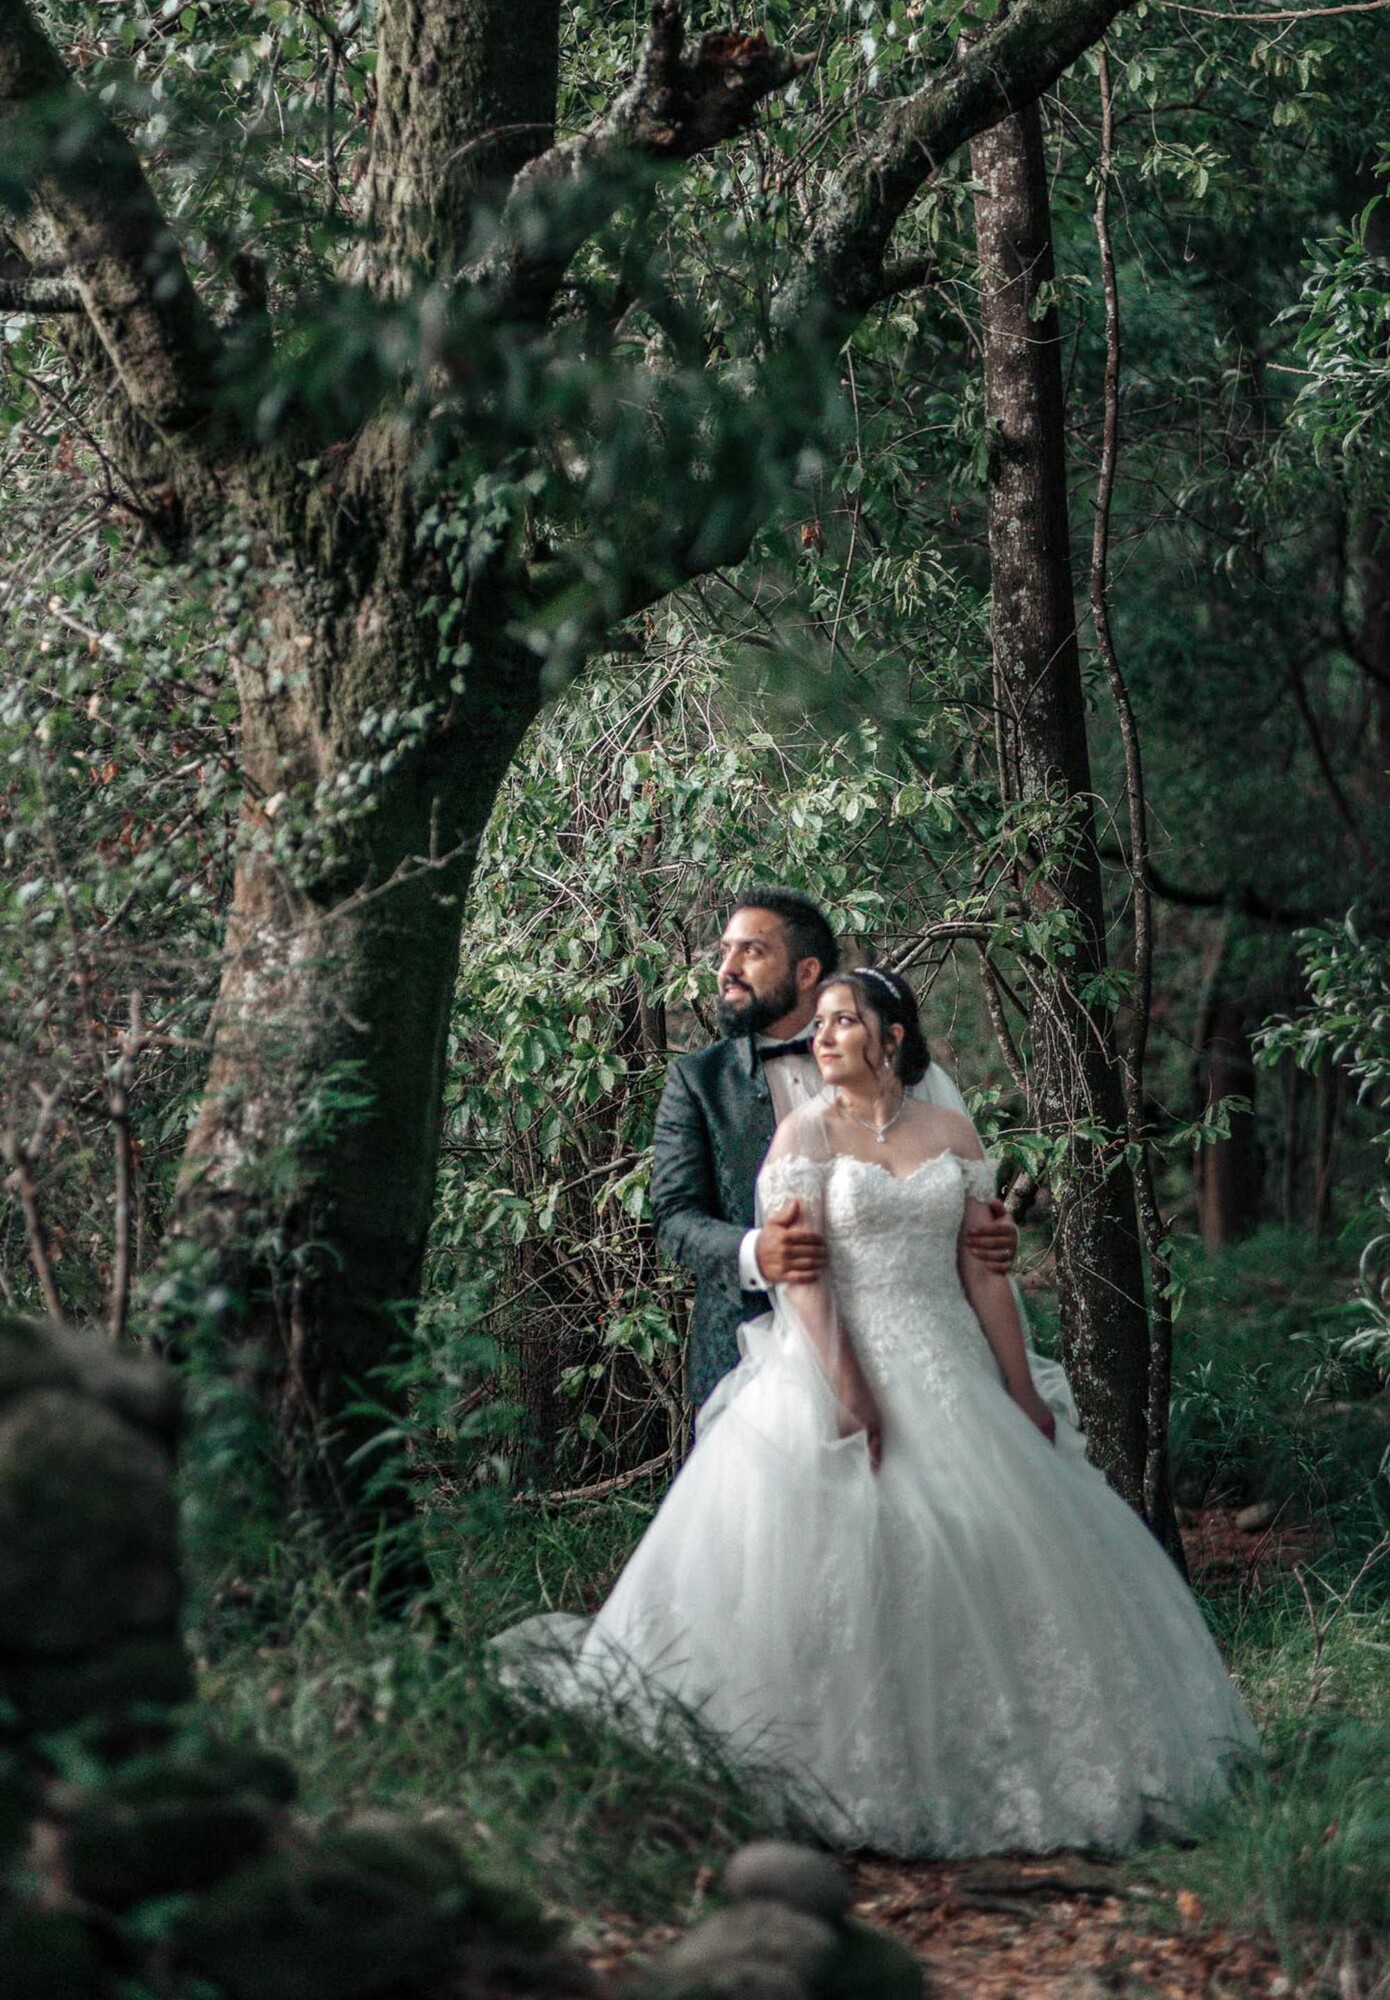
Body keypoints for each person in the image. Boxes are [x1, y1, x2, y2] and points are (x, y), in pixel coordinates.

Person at [497, 968, 1256, 1856]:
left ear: (891, 1037)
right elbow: (805, 1276)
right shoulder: (804, 1134)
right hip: (832, 1363)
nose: (822, 1038)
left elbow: (983, 1270)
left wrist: (1020, 1390)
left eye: (842, 1022)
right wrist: (848, 1385)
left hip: (950, 1363)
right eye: (817, 1024)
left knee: (991, 1544)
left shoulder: (949, 1130)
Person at [651, 887, 1021, 1410]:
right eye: (724, 952)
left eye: (750, 952)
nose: (726, 969)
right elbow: (672, 1218)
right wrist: (756, 1251)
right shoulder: (699, 1082)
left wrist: (983, 1231)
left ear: (806, 972)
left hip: (914, 1357)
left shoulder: (897, 1068)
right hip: (754, 1360)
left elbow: (950, 1188)